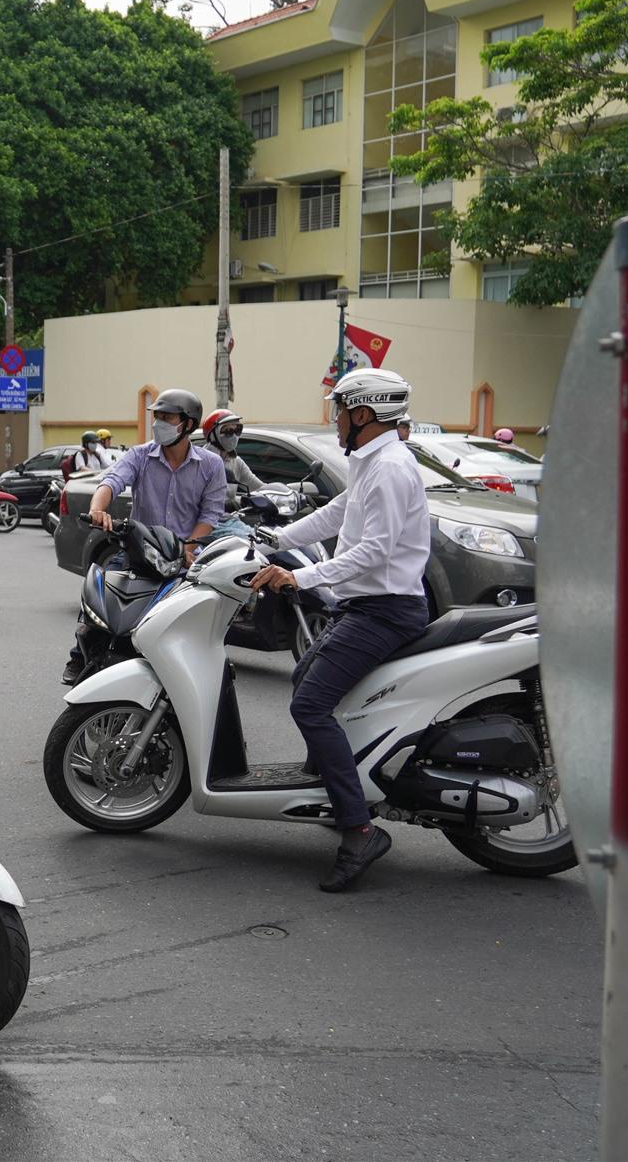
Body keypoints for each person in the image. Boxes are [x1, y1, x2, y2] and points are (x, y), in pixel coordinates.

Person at [251, 367, 430, 893]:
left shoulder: (393, 467)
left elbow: (374, 549)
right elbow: (335, 514)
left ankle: (358, 829)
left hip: (386, 610)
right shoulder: (373, 462)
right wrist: (274, 538)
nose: (335, 420)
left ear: (365, 414)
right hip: (365, 605)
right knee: (304, 676)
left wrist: (298, 575)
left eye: (341, 411)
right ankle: (334, 782)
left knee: (309, 704)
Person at [63, 388, 224, 684]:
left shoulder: (211, 466)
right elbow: (110, 482)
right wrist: (99, 509)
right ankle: (79, 655)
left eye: (167, 417)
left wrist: (189, 545)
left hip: (182, 559)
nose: (158, 422)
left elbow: (210, 515)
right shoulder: (138, 456)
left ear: (188, 424)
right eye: (157, 416)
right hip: (137, 551)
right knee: (100, 594)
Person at [201, 408, 265, 506]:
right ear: (214, 435)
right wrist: (224, 505)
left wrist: (284, 490)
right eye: (228, 431)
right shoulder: (201, 462)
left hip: (231, 519)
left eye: (237, 430)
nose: (234, 435)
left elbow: (259, 487)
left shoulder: (236, 462)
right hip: (207, 520)